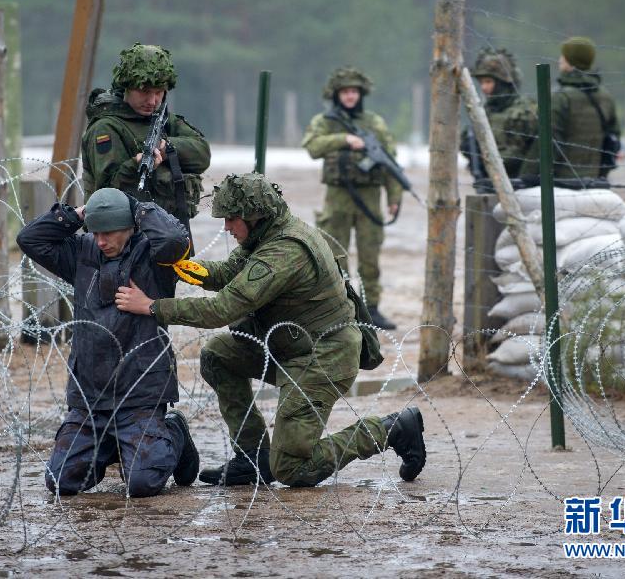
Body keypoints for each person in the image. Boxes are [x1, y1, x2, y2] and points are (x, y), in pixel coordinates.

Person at [115, 173, 427, 488]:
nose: (226, 227)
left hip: (322, 357)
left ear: (254, 216)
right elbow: (226, 273)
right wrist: (179, 266)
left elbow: (222, 309)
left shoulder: (284, 252)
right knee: (217, 355)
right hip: (291, 346)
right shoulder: (267, 235)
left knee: (292, 468)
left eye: (232, 219)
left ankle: (391, 429)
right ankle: (253, 457)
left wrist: (153, 307)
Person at [16, 188, 199, 498]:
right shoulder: (80, 253)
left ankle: (173, 432)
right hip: (91, 395)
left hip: (140, 394)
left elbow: (175, 240)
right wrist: (79, 214)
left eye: (109, 232)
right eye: (96, 232)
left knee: (142, 484)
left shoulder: (154, 257)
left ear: (129, 226)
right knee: (61, 481)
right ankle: (118, 445)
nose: (101, 241)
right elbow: (29, 239)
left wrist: (136, 207)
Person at [301, 67, 401, 330]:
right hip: (338, 197)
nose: (350, 96)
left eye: (354, 91)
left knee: (370, 256)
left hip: (370, 198)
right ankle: (338, 307)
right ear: (336, 94)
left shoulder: (374, 123)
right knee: (334, 255)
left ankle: (372, 308)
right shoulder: (325, 121)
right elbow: (312, 146)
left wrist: (394, 196)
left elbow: (390, 161)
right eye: (345, 91)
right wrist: (344, 139)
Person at [81, 42, 211, 225]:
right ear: (126, 87)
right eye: (144, 91)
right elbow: (106, 193)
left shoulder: (164, 120)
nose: (152, 101)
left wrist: (167, 149)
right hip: (122, 233)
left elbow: (202, 154)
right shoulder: (106, 128)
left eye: (159, 92)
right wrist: (136, 165)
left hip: (168, 229)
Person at [460, 47, 539, 191]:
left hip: (523, 187)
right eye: (481, 82)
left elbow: (530, 154)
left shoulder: (527, 112)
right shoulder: (483, 113)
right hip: (490, 185)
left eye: (488, 82)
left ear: (503, 83)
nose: (484, 87)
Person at [552, 37, 620, 180]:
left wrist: (528, 175)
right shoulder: (605, 96)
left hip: (562, 178)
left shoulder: (561, 97)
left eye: (564, 56)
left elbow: (549, 141)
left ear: (571, 61)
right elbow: (614, 135)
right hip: (595, 176)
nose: (560, 60)